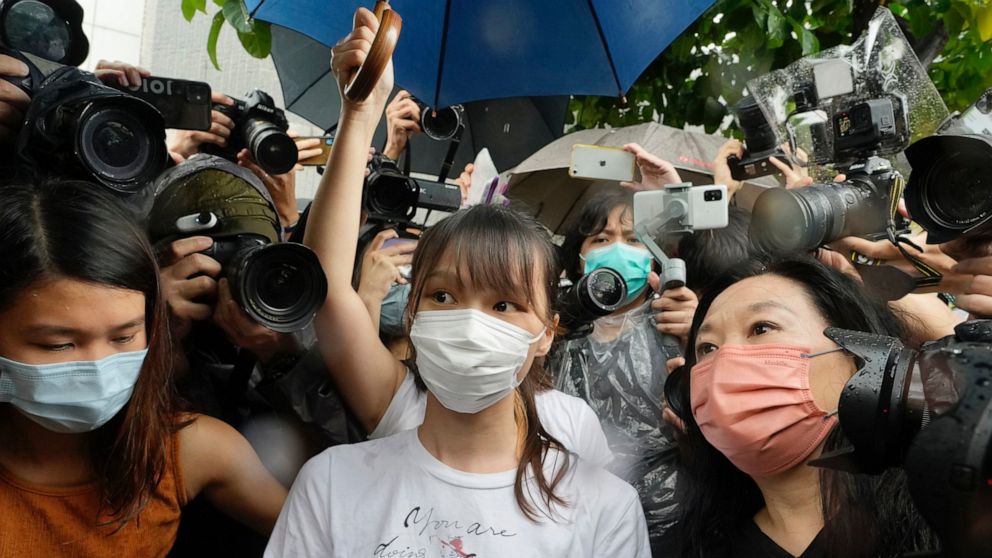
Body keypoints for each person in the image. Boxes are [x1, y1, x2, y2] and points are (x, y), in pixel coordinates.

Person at [266, 9, 650, 556]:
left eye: (504, 303)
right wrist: (358, 114)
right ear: (414, 313)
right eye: (443, 295)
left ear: (547, 331)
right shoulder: (332, 485)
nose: (470, 320)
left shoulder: (603, 503)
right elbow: (326, 283)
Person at [0, 177, 287, 556]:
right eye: (59, 344)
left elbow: (332, 535)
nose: (99, 366)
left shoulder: (187, 451)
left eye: (123, 337)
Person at [664, 257, 937, 557]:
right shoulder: (692, 547)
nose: (724, 363)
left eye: (762, 328)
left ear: (858, 356)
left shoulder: (950, 518)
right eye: (707, 348)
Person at [551, 184, 697, 552]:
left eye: (634, 239)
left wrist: (702, 337)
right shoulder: (551, 330)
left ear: (655, 256)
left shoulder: (681, 324)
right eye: (601, 238)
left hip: (671, 522)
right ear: (580, 256)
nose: (618, 249)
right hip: (567, 519)